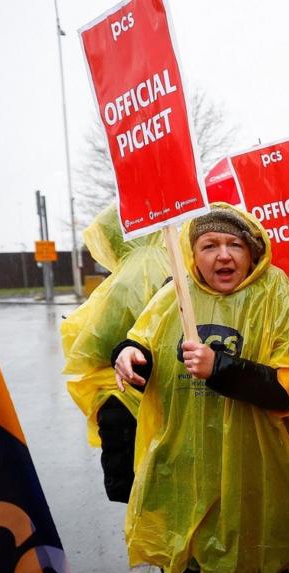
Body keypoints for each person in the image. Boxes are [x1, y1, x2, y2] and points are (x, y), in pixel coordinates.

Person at [112, 203, 289, 573]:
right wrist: (128, 353)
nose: (224, 255)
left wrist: (220, 368)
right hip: (189, 474)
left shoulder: (275, 294)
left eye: (235, 244)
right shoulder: (175, 296)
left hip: (262, 474)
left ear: (252, 253)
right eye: (210, 245)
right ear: (193, 254)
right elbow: (146, 346)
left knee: (266, 558)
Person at [61, 203, 170, 503]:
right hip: (164, 393)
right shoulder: (172, 260)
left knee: (144, 499)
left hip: (128, 399)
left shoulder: (135, 271)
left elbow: (100, 339)